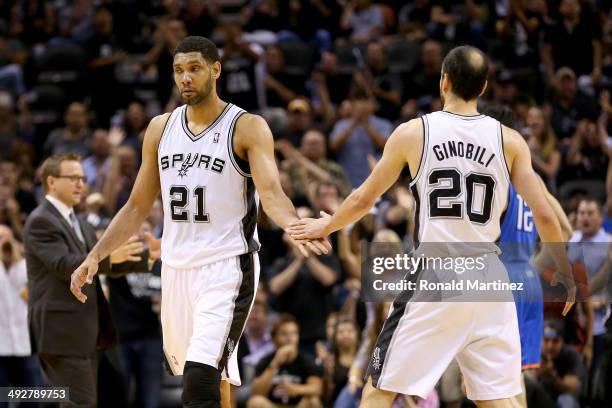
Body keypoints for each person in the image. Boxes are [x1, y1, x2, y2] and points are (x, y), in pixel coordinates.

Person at [289, 46, 576, 407]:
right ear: (484, 87)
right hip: (490, 276)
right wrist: (564, 270)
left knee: (378, 389)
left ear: (444, 81)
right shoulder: (510, 141)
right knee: (500, 400)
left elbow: (364, 199)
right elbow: (546, 216)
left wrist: (327, 225)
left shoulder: (414, 132)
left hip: (438, 272)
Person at [69, 36, 329, 408]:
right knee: (215, 378)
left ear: (215, 70)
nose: (185, 78)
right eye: (178, 71)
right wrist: (95, 256)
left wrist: (294, 225)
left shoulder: (247, 127)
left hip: (226, 266)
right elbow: (136, 205)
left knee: (200, 377)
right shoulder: (160, 128)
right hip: (177, 268)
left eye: (194, 69)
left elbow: (271, 193)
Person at [23, 153, 152, 408]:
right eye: (72, 178)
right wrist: (108, 257)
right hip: (60, 331)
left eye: (82, 178)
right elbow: (65, 265)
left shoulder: (79, 222)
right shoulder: (41, 220)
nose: (81, 184)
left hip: (85, 330)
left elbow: (100, 265)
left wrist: (148, 258)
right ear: (51, 181)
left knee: (79, 401)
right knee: (79, 403)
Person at [248, 314, 324, 408]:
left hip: (298, 405)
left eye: (294, 333)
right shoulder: (266, 360)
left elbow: (317, 388)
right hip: (272, 405)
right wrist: (275, 363)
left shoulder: (306, 360)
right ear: (274, 339)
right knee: (255, 402)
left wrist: (295, 389)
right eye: (284, 334)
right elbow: (257, 392)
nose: (290, 338)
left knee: (313, 400)